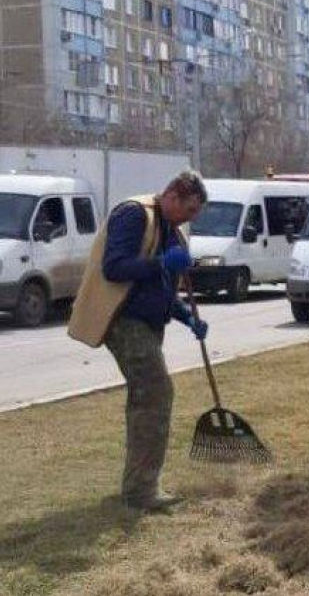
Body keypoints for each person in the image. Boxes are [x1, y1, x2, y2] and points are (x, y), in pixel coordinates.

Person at [68, 171, 209, 511]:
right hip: (122, 319)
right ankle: (141, 493)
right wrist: (161, 263)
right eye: (189, 210)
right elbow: (114, 268)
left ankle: (138, 486)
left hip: (147, 323)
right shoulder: (134, 214)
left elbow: (162, 291)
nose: (190, 219)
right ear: (173, 195)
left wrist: (187, 316)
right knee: (157, 392)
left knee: (146, 399)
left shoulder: (171, 232)